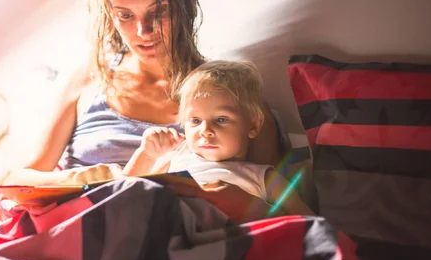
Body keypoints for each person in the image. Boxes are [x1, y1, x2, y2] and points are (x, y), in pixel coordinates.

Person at [3, 0, 282, 188]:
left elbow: (275, 196)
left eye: (158, 12)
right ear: (110, 14)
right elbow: (16, 180)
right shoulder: (91, 77)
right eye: (125, 15)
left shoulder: (228, 93)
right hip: (79, 220)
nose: (143, 32)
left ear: (183, 5)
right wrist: (78, 179)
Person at [123, 60, 314, 218]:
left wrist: (252, 208)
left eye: (221, 120)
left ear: (253, 125)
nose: (205, 131)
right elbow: (124, 193)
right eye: (195, 120)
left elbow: (308, 224)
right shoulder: (175, 158)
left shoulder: (264, 178)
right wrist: (146, 154)